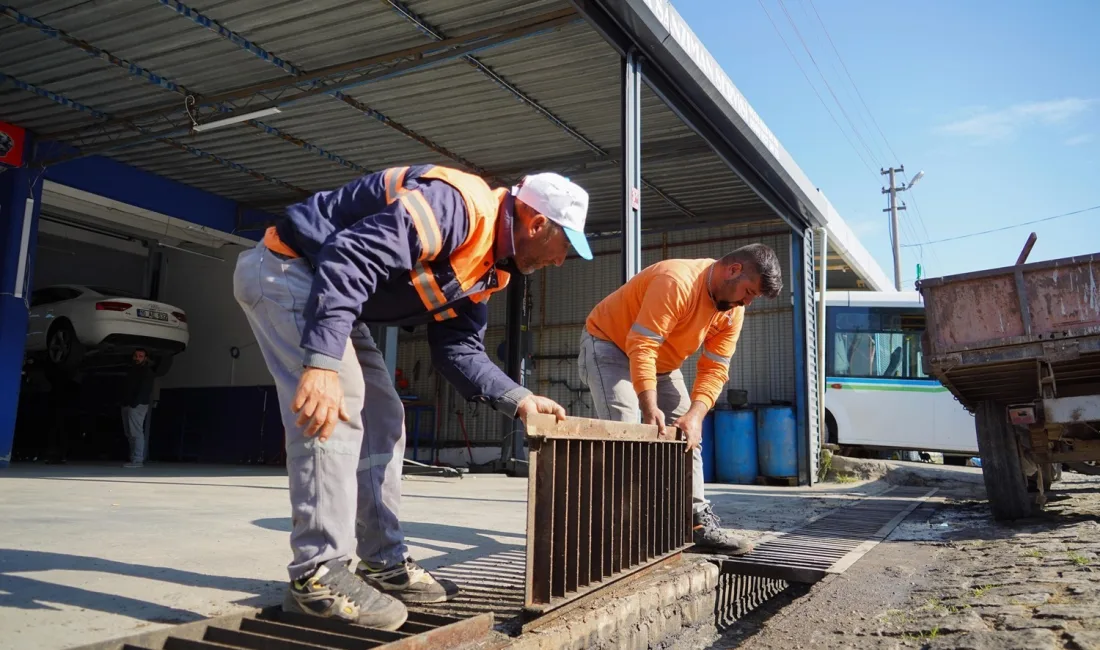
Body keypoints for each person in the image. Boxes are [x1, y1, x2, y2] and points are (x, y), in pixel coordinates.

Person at [232, 164, 592, 630]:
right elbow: (351, 255)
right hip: (289, 270)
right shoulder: (458, 206)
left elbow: (458, 348)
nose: (560, 261)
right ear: (537, 222)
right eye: (563, 247)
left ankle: (383, 560)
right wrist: (321, 362)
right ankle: (316, 574)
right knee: (337, 406)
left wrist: (518, 397)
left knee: (384, 415)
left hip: (335, 292)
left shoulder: (487, 268)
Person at [577, 244, 783, 555]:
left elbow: (715, 369)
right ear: (733, 270)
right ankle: (615, 531)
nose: (747, 302)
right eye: (749, 292)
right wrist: (649, 407)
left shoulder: (732, 312)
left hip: (662, 363)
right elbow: (642, 345)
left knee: (689, 433)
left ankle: (696, 522)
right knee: (623, 427)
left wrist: (696, 416)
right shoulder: (677, 282)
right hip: (609, 345)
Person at [121, 348, 161, 468]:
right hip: (128, 404)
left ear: (145, 358)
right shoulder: (132, 370)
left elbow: (144, 390)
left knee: (136, 432)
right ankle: (134, 458)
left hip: (137, 405)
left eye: (140, 356)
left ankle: (138, 459)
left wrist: (135, 403)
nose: (137, 358)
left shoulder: (146, 372)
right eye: (136, 355)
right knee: (129, 433)